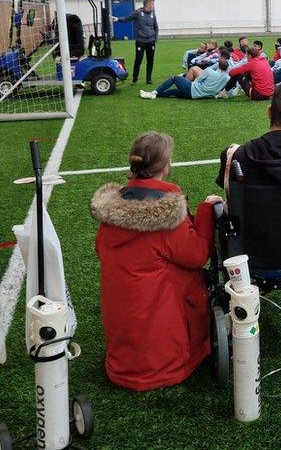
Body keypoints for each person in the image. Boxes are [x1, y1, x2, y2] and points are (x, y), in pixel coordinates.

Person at [91, 132, 220, 391]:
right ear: (166, 165)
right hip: (162, 363)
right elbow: (197, 255)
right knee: (193, 279)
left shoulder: (111, 212)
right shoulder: (165, 214)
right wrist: (206, 210)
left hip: (121, 351)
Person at [141, 58, 231, 100]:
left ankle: (154, 92)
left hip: (193, 89)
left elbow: (197, 80)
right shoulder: (227, 78)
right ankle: (153, 95)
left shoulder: (209, 71)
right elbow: (224, 89)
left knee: (174, 78)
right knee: (174, 92)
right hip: (199, 96)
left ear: (218, 65)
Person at [117, 0, 158, 86]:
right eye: (152, 4)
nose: (153, 6)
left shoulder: (153, 15)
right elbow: (127, 18)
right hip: (140, 41)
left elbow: (156, 27)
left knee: (150, 60)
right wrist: (117, 19)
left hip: (151, 42)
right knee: (138, 60)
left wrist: (155, 38)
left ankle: (148, 79)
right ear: (148, 5)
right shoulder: (138, 13)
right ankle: (135, 80)